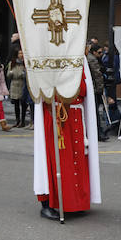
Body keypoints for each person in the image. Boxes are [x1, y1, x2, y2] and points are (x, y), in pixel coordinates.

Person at [33, 56, 101, 220]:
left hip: (75, 114)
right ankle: (49, 202)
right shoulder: (47, 54)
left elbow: (84, 90)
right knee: (57, 159)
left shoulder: (78, 56)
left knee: (76, 158)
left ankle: (75, 202)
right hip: (56, 114)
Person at [7, 49, 29, 128]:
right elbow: (8, 75)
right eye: (19, 53)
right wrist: (11, 73)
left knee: (23, 104)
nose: (21, 54)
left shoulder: (25, 63)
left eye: (22, 53)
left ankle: (22, 121)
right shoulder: (12, 63)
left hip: (22, 84)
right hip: (14, 84)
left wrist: (23, 74)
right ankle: (17, 120)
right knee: (16, 104)